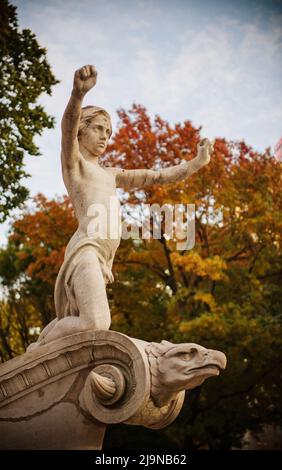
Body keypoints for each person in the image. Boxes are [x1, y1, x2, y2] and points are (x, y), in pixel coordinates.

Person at [28, 64, 213, 348]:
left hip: (103, 261)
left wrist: (195, 164)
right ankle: (40, 347)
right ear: (82, 130)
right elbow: (67, 128)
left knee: (90, 324)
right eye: (99, 129)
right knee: (97, 323)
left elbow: (157, 176)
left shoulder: (112, 174)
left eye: (109, 132)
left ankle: (51, 337)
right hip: (86, 251)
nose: (105, 136)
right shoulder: (74, 165)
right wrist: (78, 94)